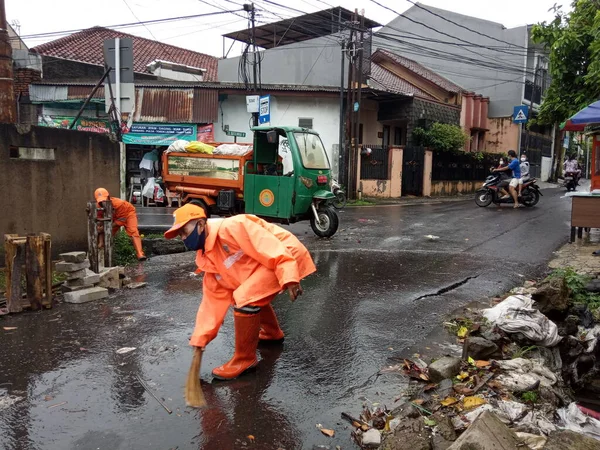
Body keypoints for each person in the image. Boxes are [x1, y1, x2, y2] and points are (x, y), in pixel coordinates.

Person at [164, 204, 316, 380]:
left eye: (184, 231)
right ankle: (272, 334)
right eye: (180, 235)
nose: (183, 237)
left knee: (244, 296)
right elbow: (211, 303)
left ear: (200, 224)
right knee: (248, 291)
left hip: (286, 255)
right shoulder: (208, 258)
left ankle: (245, 360)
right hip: (269, 261)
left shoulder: (232, 227)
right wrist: (200, 339)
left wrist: (289, 275)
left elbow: (270, 247)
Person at [94, 188, 147, 261]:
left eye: (104, 199)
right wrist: (100, 230)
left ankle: (140, 254)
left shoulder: (119, 204)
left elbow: (121, 220)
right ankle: (104, 254)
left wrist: (104, 227)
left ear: (108, 197)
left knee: (133, 231)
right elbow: (100, 221)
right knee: (107, 233)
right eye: (100, 201)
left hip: (128, 214)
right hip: (114, 218)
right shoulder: (98, 207)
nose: (102, 202)